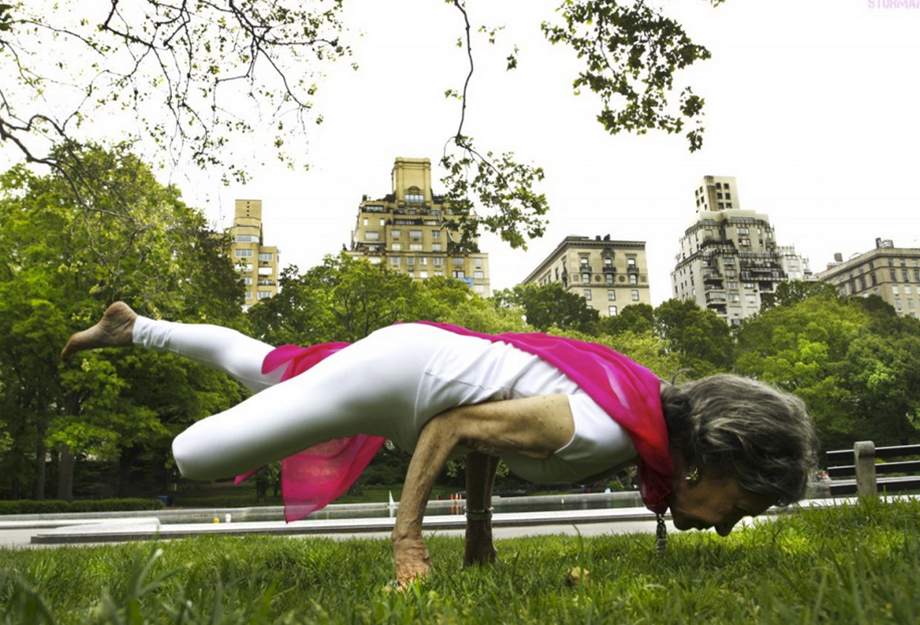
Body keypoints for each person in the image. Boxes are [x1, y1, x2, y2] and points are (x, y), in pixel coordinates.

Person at [61, 302, 818, 587]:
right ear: (715, 459)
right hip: (405, 377)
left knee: (268, 370)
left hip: (421, 367)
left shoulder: (640, 413)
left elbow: (487, 424)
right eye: (741, 505)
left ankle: (137, 327)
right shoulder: (603, 428)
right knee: (197, 454)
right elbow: (454, 429)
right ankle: (143, 333)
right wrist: (409, 542)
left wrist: (479, 546)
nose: (725, 522)